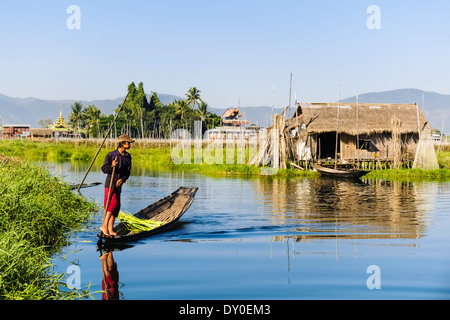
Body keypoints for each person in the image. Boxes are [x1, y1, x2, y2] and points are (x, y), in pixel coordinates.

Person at [100, 134, 134, 237]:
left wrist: (122, 180)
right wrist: (112, 165)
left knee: (116, 207)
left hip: (118, 185)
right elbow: (104, 169)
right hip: (110, 184)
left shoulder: (128, 157)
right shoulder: (111, 155)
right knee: (111, 204)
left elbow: (127, 173)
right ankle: (104, 226)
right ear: (122, 143)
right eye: (128, 143)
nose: (130, 145)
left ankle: (110, 229)